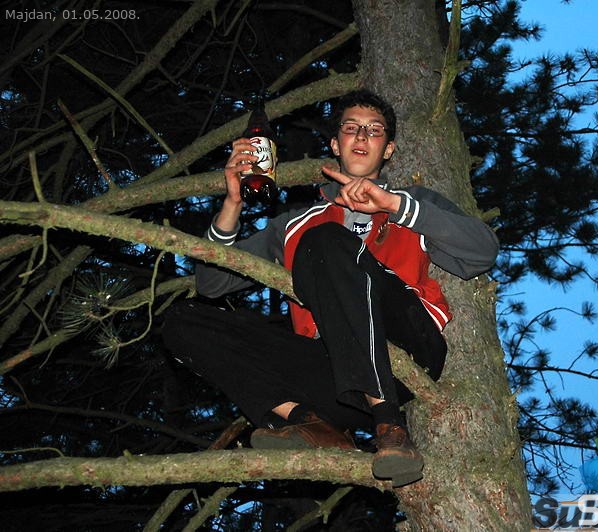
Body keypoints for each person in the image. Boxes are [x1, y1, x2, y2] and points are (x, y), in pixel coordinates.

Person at [162, 90, 499, 487]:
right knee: (182, 321)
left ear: (389, 149)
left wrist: (395, 206)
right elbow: (211, 283)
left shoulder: (411, 203)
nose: (362, 136)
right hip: (334, 376)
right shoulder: (298, 223)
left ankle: (390, 426)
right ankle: (310, 423)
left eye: (374, 131)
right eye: (351, 128)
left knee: (326, 242)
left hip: (407, 345)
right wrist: (233, 202)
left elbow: (481, 253)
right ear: (336, 144)